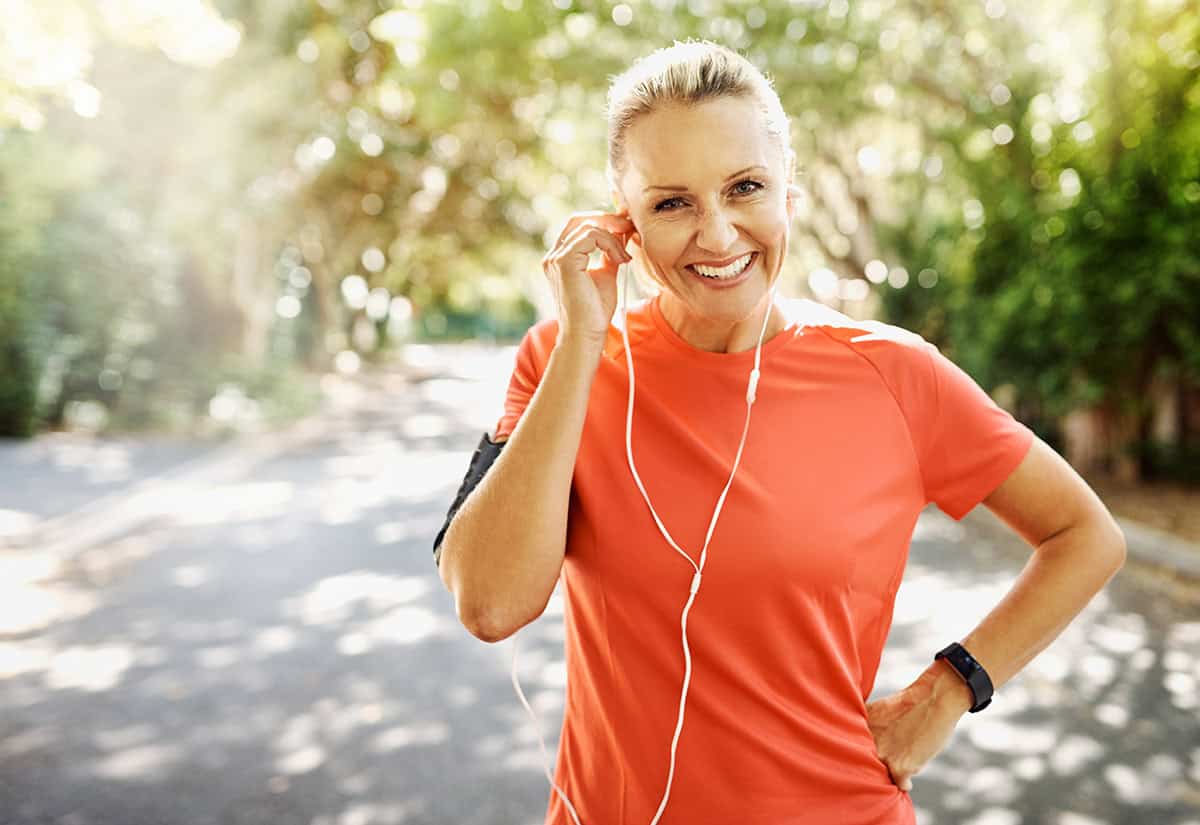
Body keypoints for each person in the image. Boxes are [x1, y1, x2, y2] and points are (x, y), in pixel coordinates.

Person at [433, 39, 1127, 825]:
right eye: (673, 202)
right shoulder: (563, 360)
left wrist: (948, 687)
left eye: (745, 188)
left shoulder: (894, 374)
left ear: (788, 191)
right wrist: (581, 343)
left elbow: (1084, 533)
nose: (719, 235)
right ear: (620, 220)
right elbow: (489, 603)